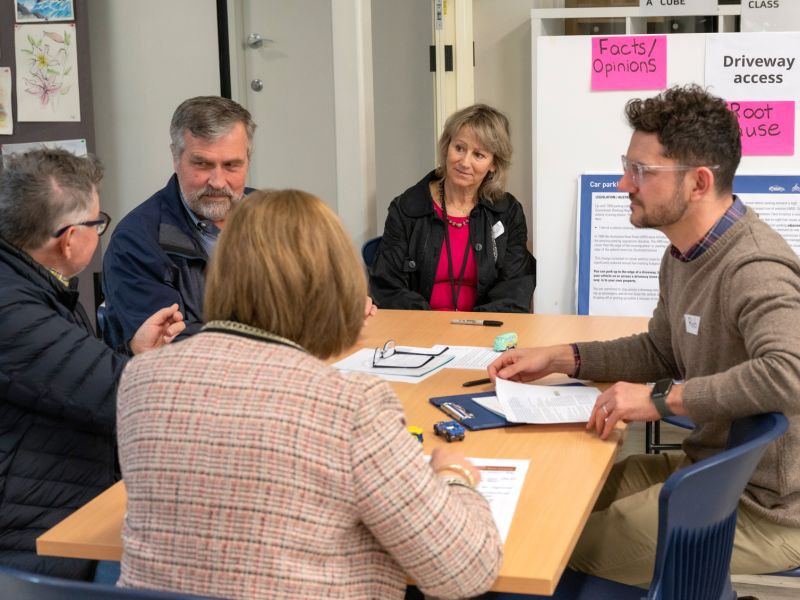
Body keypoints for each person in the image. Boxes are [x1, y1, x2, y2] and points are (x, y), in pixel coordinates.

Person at [116, 190, 503, 599]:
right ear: (333, 281)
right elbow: (465, 570)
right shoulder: (351, 404)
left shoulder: (140, 377)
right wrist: (455, 476)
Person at [489, 84, 800, 586]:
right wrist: (561, 357)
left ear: (698, 183)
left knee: (548, 547)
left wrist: (663, 401)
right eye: (626, 166)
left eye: (641, 172)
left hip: (766, 506)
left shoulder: (754, 265)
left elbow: (790, 375)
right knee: (567, 495)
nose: (622, 184)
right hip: (713, 467)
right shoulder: (683, 253)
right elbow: (660, 349)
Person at [0, 148, 184, 580]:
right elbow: (120, 397)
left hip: (59, 499)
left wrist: (134, 355)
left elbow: (73, 383)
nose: (100, 233)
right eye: (96, 224)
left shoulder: (29, 284)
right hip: (36, 538)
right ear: (67, 239)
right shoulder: (13, 308)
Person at [101, 96, 256, 350]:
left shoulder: (273, 219)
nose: (217, 182)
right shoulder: (135, 242)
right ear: (175, 157)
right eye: (202, 164)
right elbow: (171, 346)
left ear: (247, 159)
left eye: (231, 165)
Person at [369, 103, 536, 313]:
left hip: (484, 334)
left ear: (494, 164)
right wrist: (433, 327)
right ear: (447, 147)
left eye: (479, 155)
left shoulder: (507, 212)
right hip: (419, 333)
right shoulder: (408, 208)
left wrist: (474, 331)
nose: (464, 162)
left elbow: (515, 287)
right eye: (459, 148)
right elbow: (387, 286)